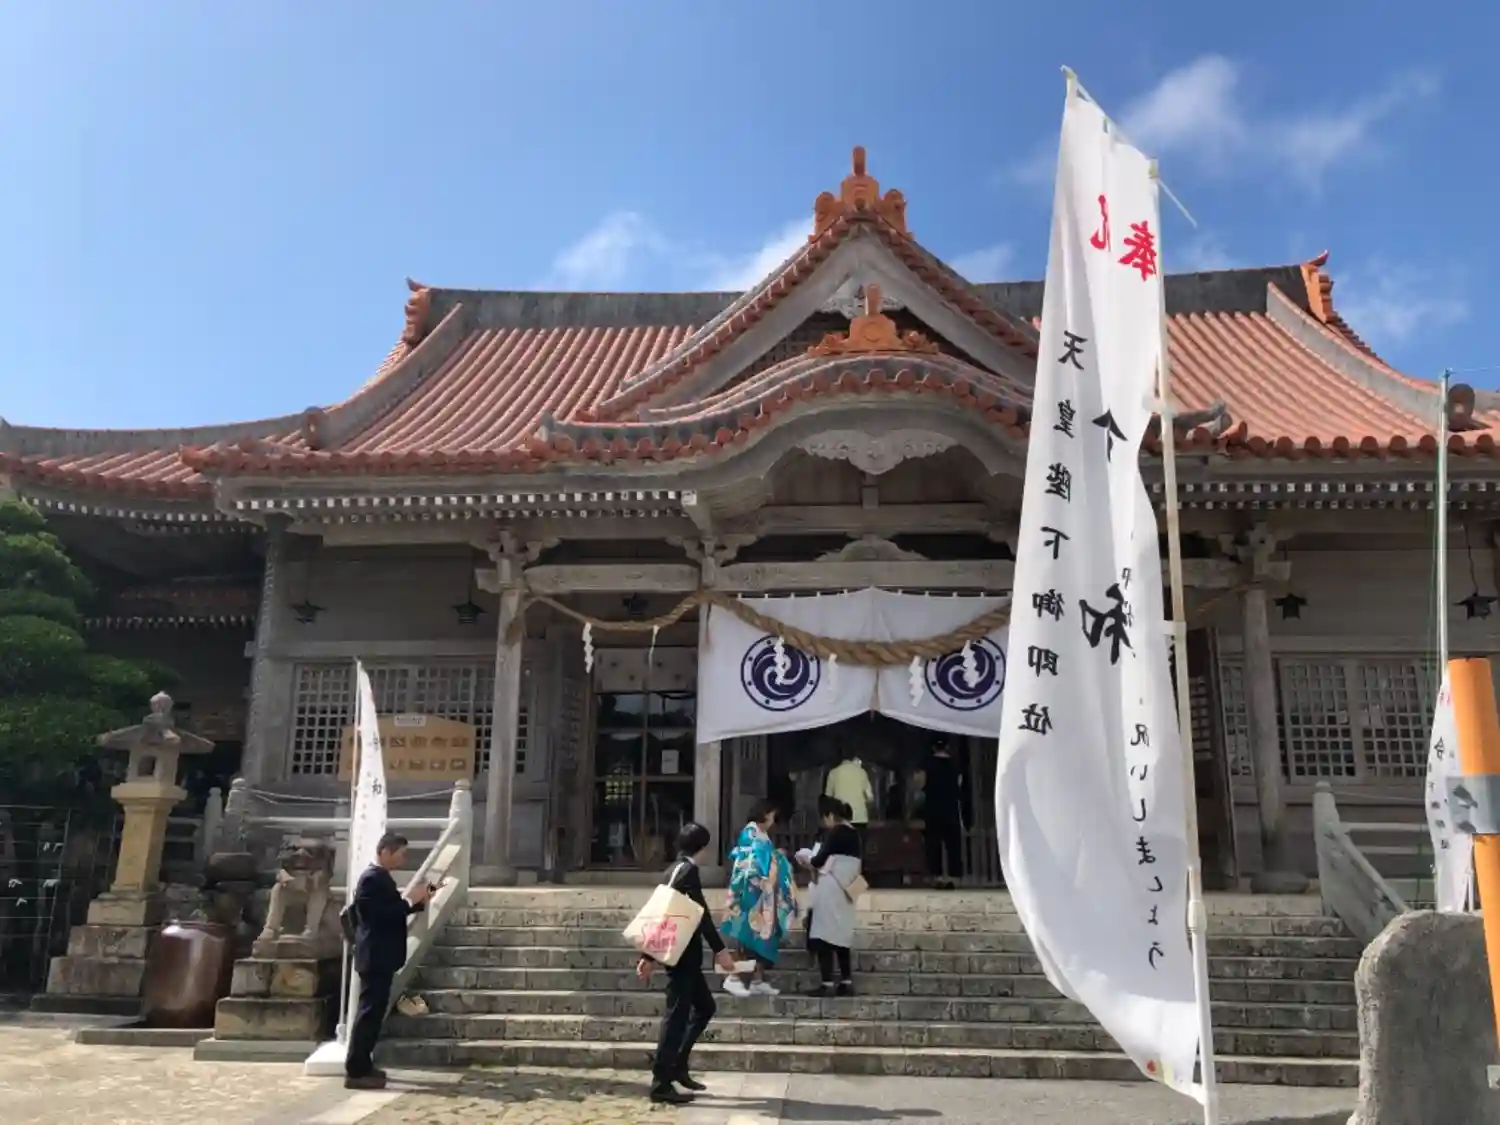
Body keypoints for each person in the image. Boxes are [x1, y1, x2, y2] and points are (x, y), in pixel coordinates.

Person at [637, 821, 737, 1105]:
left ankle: (678, 1065)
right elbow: (699, 914)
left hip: (681, 954)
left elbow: (663, 913)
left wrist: (649, 955)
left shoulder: (673, 870)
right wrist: (720, 950)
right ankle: (661, 1082)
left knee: (705, 1007)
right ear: (702, 848)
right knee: (676, 1018)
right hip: (682, 956)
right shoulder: (688, 871)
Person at [345, 831, 431, 1089]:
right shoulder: (372, 878)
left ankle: (364, 1064)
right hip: (375, 956)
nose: (403, 859)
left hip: (380, 956)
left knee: (374, 1014)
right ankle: (356, 1070)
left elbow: (392, 910)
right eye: (401, 854)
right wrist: (409, 901)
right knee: (368, 1014)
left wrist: (419, 901)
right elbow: (378, 916)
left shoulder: (380, 878)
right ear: (385, 851)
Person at [720, 799, 796, 998]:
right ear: (765, 814)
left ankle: (757, 979)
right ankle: (733, 977)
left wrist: (775, 856)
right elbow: (753, 862)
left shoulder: (759, 834)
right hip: (748, 894)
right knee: (744, 936)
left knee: (759, 938)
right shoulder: (751, 833)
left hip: (759, 895)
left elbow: (764, 858)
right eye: (772, 815)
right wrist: (775, 858)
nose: (772, 820)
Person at [802, 797, 863, 997]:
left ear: (829, 816)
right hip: (846, 888)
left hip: (831, 887)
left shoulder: (836, 832)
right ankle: (846, 981)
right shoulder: (855, 833)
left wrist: (807, 860)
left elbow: (819, 860)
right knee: (841, 936)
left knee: (823, 935)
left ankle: (827, 983)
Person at [922, 736, 970, 890]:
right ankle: (954, 877)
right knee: (953, 844)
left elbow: (921, 783)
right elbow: (959, 785)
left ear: (933, 748)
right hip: (951, 809)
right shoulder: (955, 765)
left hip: (933, 809)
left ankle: (936, 877)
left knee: (933, 844)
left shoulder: (928, 764)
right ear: (948, 747)